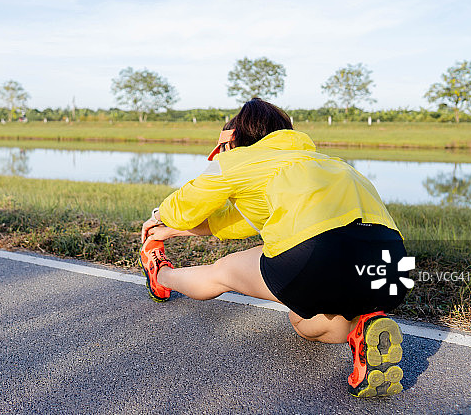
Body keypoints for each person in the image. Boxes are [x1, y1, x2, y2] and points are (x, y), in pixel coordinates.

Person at [139, 98, 409, 398]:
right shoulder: (328, 163)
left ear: (234, 140)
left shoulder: (238, 160)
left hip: (318, 259)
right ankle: (364, 325)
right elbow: (235, 222)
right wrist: (176, 230)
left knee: (222, 273)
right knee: (305, 324)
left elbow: (184, 206)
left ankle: (159, 274)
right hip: (392, 273)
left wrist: (158, 218)